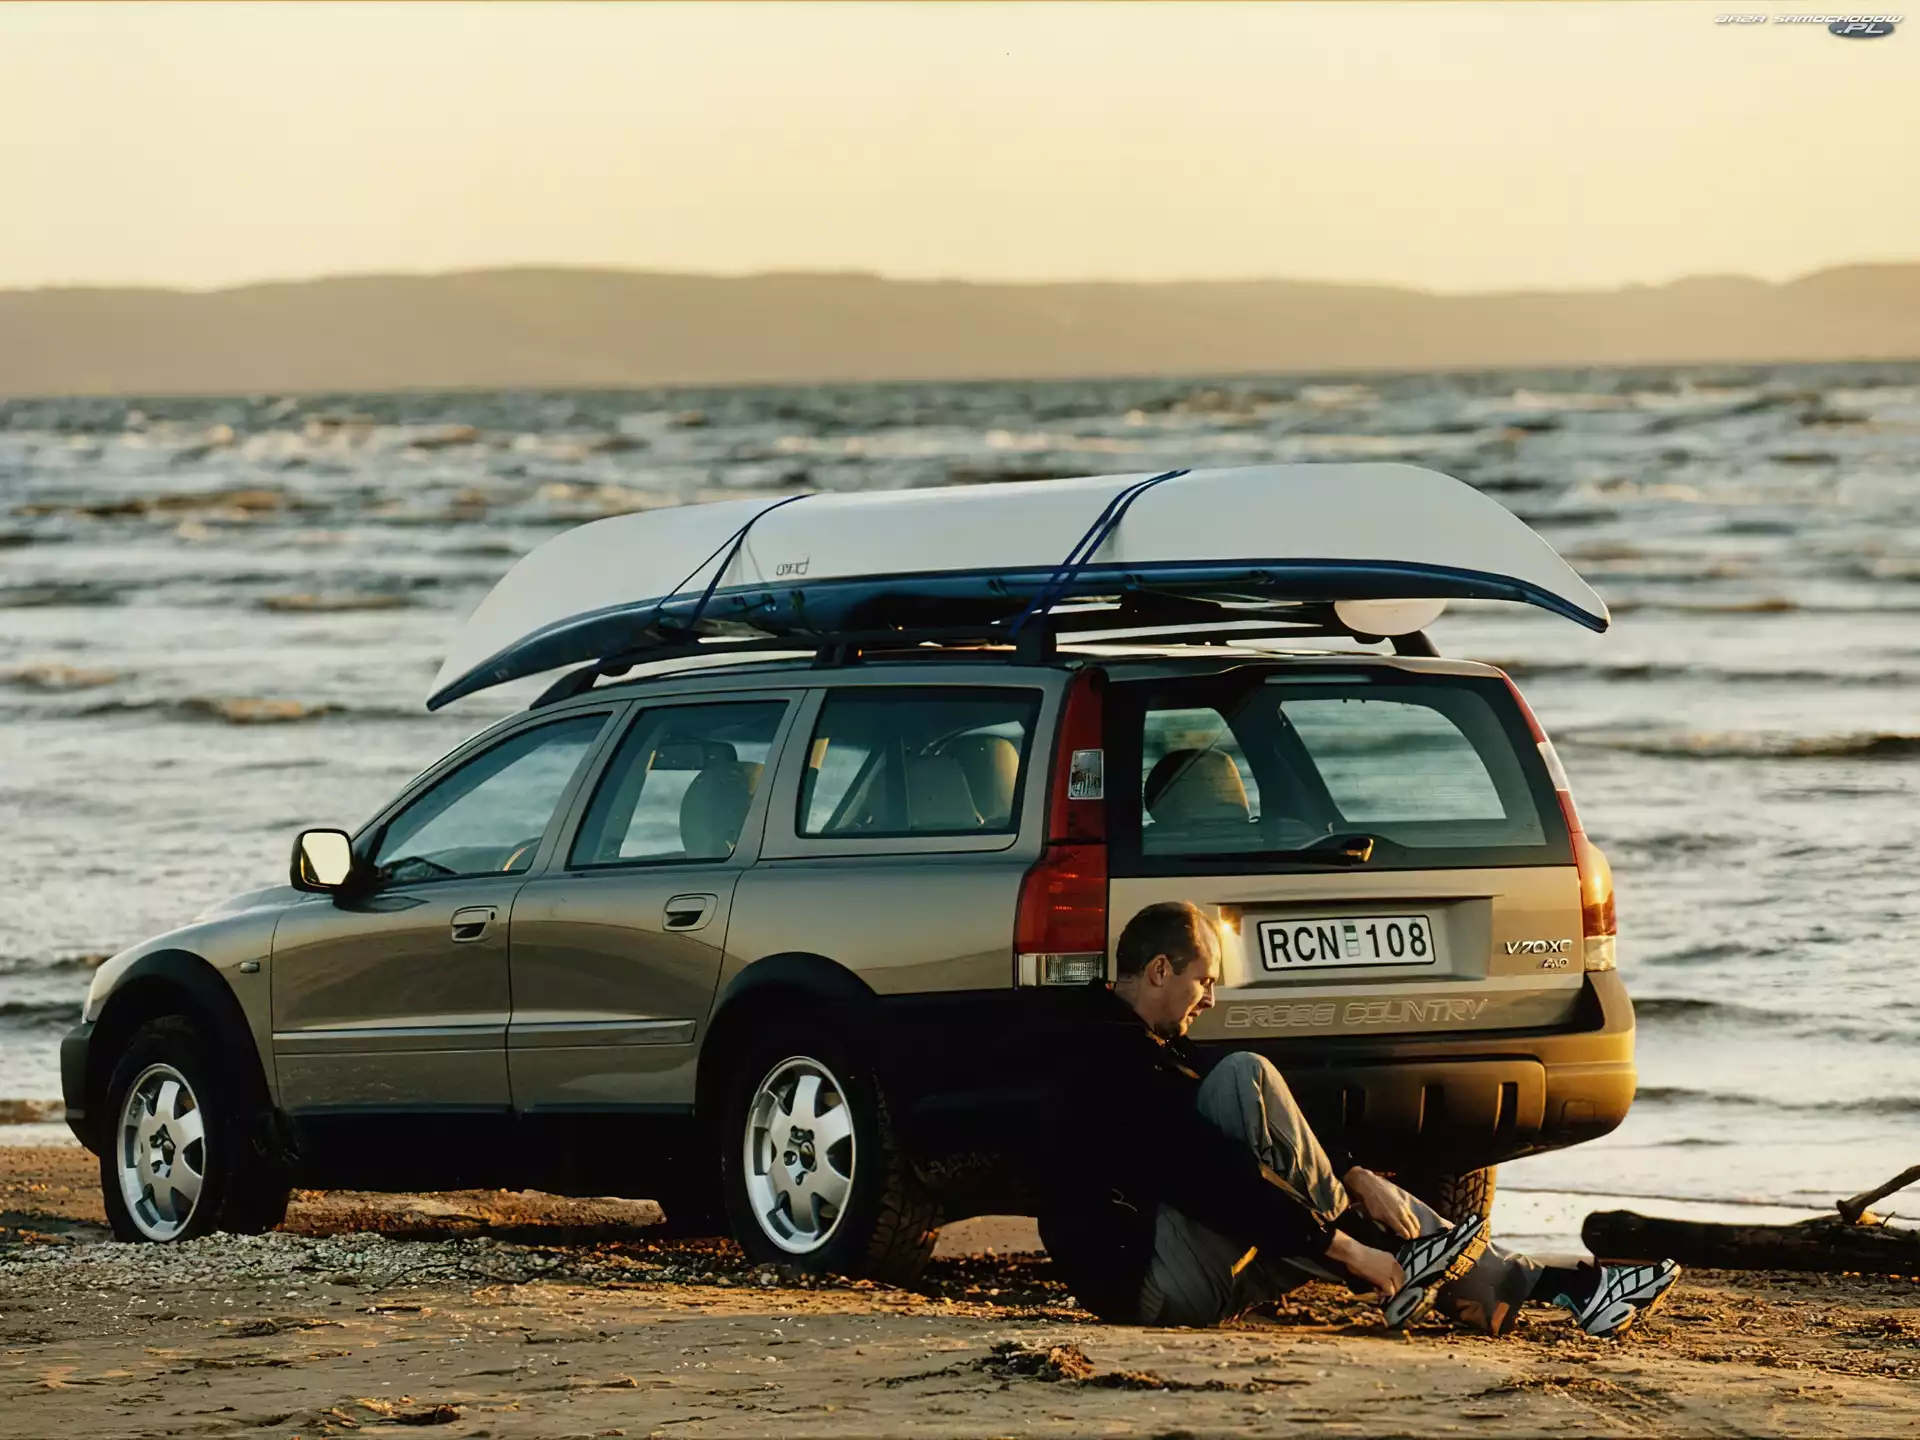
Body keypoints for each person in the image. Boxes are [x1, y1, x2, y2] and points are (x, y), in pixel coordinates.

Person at [1032, 900, 1679, 1336]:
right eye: (1204, 980)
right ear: (1159, 970)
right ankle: (1532, 1284)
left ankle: (1562, 1292)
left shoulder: (1140, 1046)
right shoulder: (1111, 1061)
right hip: (1153, 1283)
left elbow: (1255, 1160)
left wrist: (1354, 1174)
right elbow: (1214, 1178)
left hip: (1173, 1264)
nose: (1212, 999)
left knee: (1253, 1099)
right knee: (1245, 1078)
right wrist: (1347, 1246)